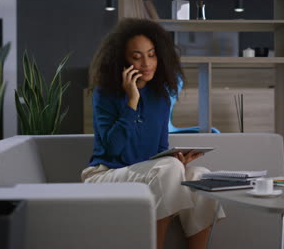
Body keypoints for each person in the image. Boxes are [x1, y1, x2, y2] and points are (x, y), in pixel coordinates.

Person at [81, 18, 225, 249]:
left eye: (152, 54)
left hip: (144, 174)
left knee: (200, 175)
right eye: (136, 57)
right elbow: (112, 150)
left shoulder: (161, 97)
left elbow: (157, 150)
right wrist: (132, 101)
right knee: (170, 169)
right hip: (104, 174)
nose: (146, 64)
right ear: (122, 60)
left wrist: (175, 159)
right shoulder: (105, 93)